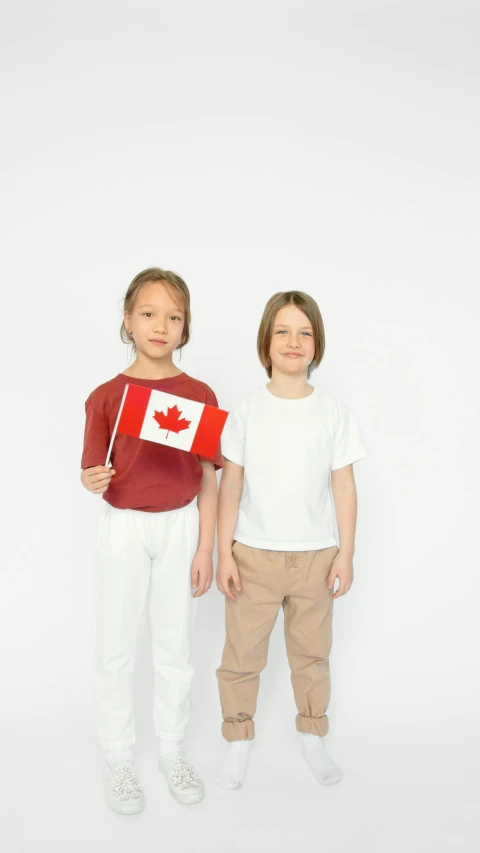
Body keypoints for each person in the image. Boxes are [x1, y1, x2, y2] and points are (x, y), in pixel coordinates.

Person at [80, 268, 221, 813]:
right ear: (127, 320)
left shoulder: (199, 394)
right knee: (115, 644)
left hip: (181, 523)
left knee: (174, 643)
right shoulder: (106, 397)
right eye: (148, 313)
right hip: (125, 527)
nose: (161, 325)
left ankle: (171, 747)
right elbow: (94, 469)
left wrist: (206, 546)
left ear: (185, 327)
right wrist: (92, 478)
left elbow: (209, 473)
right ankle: (119, 757)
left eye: (174, 316)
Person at [215, 290, 367, 789]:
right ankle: (237, 739)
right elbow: (230, 484)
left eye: (305, 331)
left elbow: (343, 484)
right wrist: (224, 554)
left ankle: (312, 735)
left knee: (312, 652)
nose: (293, 340)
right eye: (282, 330)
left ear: (317, 342)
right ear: (266, 341)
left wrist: (345, 551)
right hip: (252, 554)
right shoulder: (246, 412)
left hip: (316, 557)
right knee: (242, 654)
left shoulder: (333, 413)